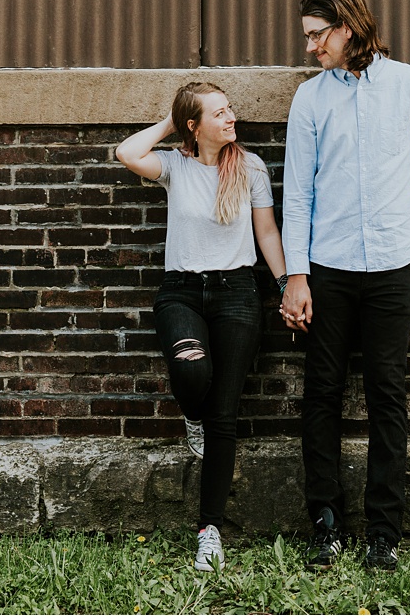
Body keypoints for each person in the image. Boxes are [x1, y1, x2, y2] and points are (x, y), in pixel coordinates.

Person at [280, 0, 410, 576]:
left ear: (349, 27)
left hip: (393, 266)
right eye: (308, 36)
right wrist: (296, 275)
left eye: (318, 34)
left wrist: (405, 213)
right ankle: (326, 525)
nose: (310, 46)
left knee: (388, 397)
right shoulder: (310, 100)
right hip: (329, 268)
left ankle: (383, 534)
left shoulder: (408, 83)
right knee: (322, 396)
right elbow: (298, 194)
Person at [116, 81, 289, 574]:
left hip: (237, 294)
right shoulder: (174, 165)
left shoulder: (250, 167)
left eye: (230, 109)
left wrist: (283, 285)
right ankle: (191, 415)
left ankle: (208, 530)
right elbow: (127, 152)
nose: (232, 118)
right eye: (219, 113)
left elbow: (267, 232)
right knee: (193, 376)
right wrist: (173, 120)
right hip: (182, 292)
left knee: (226, 416)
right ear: (195, 126)